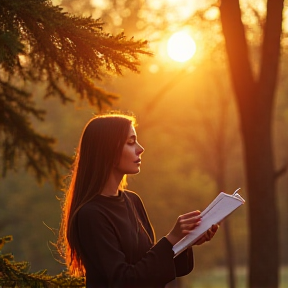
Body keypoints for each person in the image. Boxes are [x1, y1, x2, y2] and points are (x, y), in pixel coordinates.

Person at [58, 112, 218, 288]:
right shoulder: (91, 215)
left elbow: (149, 268)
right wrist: (171, 238)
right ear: (107, 151)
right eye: (131, 142)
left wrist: (185, 240)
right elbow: (124, 281)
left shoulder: (133, 201)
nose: (141, 148)